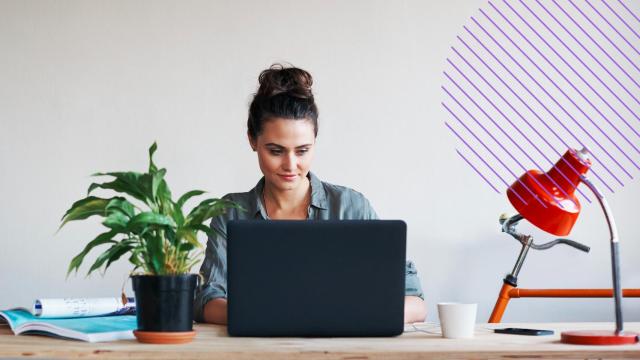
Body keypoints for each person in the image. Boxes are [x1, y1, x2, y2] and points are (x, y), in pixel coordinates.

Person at [194, 63, 426, 324]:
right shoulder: (231, 211)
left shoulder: (350, 206)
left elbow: (415, 302)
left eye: (302, 150)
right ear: (252, 140)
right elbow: (207, 300)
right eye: (276, 150)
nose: (291, 165)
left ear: (315, 141)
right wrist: (269, 317)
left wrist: (352, 315)